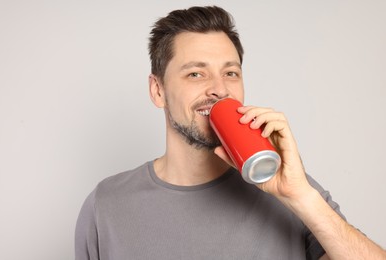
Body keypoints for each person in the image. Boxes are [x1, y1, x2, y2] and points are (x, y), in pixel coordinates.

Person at [75, 6, 386, 260]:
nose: (219, 89)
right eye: (196, 73)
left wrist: (301, 197)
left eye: (230, 73)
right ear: (158, 91)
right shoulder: (107, 205)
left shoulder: (289, 190)